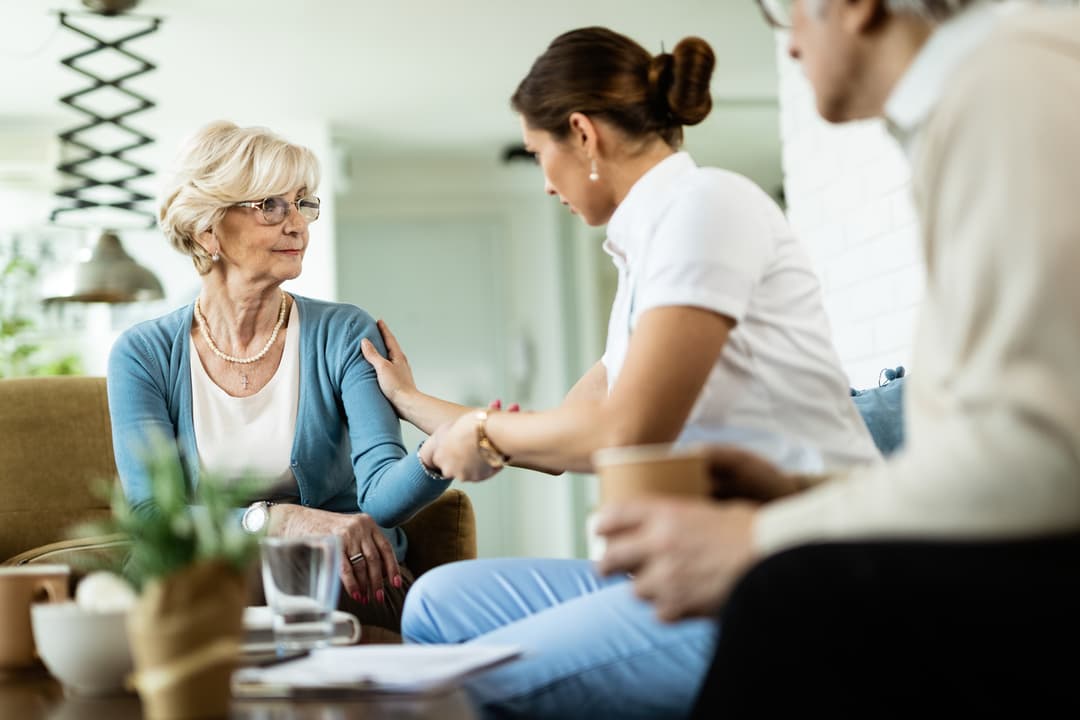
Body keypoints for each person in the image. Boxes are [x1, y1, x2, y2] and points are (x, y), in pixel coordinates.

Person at [360, 26, 879, 718]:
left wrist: (483, 430)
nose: (546, 183)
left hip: (782, 578)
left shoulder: (706, 210)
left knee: (456, 688)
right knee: (438, 602)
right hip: (684, 570)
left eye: (541, 153)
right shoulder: (647, 250)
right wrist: (409, 399)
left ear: (582, 134)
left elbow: (625, 431)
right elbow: (561, 435)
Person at [596, 0, 1080, 713]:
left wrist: (757, 537)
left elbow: (1042, 460)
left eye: (787, 14)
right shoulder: (980, 94)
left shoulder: (1005, 85)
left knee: (782, 597)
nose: (787, 48)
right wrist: (802, 498)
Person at [106, 121, 453, 635]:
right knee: (208, 582)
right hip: (204, 578)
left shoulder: (344, 332)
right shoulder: (143, 354)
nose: (298, 225)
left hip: (340, 575)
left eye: (303, 203)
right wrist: (280, 520)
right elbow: (157, 516)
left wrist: (441, 449)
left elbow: (379, 494)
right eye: (271, 205)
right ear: (208, 229)